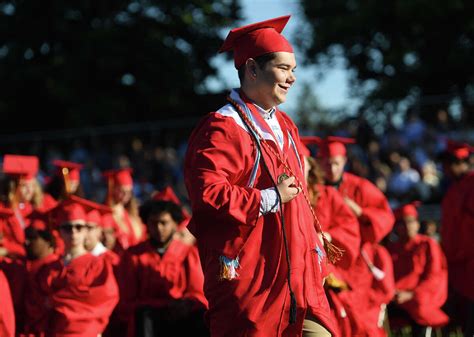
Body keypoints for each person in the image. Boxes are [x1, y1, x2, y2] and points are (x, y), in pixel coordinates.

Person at [184, 15, 338, 337]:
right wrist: (271, 197)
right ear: (252, 69)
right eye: (283, 68)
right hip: (255, 281)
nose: (292, 78)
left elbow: (299, 195)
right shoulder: (223, 128)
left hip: (298, 278)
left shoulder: (285, 126)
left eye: (293, 69)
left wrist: (314, 243)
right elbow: (209, 194)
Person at [316, 136, 395, 336]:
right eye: (327, 164)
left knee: (360, 318)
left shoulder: (360, 186)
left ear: (344, 163)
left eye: (336, 164)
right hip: (325, 261)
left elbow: (385, 217)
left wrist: (360, 212)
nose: (332, 169)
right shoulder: (312, 189)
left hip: (357, 263)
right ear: (318, 163)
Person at [118, 200, 208, 337]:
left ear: (175, 224)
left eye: (164, 223)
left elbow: (197, 292)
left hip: (181, 316)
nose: (159, 228)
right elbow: (127, 299)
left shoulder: (188, 253)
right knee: (143, 316)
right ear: (146, 223)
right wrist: (157, 306)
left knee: (199, 315)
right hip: (148, 318)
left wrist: (185, 304)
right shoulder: (133, 255)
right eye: (153, 223)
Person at [38, 200, 119, 336]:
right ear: (59, 231)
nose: (73, 232)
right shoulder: (50, 268)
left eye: (79, 227)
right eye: (67, 228)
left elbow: (102, 300)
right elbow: (39, 305)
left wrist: (55, 301)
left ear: (86, 230)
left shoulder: (97, 265)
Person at [387, 203, 449, 335]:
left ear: (418, 224)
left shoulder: (427, 244)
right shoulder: (391, 249)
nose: (407, 226)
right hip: (396, 296)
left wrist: (411, 294)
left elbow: (434, 276)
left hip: (421, 295)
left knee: (420, 308)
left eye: (411, 221)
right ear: (396, 227)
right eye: (402, 223)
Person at [439, 140, 474, 336]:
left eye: (449, 164)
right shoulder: (453, 189)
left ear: (462, 162)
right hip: (457, 269)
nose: (445, 169)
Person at [0, 154, 57, 257]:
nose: (29, 190)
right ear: (13, 187)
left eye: (32, 185)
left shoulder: (45, 203)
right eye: (24, 186)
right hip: (15, 263)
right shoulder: (3, 209)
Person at [23, 218, 58, 335]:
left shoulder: (52, 268)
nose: (27, 242)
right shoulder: (32, 264)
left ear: (48, 242)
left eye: (33, 238)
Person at [103, 168, 146, 250]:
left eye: (129, 192)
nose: (126, 195)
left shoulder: (131, 214)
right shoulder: (107, 216)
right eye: (122, 191)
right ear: (113, 189)